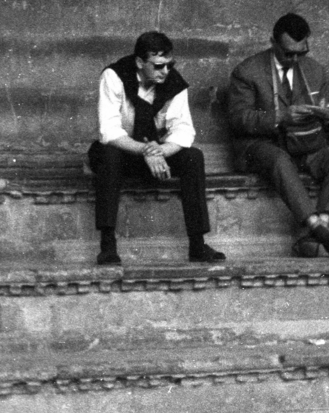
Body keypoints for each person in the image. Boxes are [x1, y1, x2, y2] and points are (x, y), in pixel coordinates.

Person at [86, 32, 225, 265]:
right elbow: (108, 131)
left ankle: (198, 245)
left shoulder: (174, 83)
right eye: (159, 66)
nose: (166, 72)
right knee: (109, 155)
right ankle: (108, 245)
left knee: (193, 157)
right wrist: (144, 150)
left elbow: (183, 131)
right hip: (122, 150)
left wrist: (158, 152)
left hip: (154, 154)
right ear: (140, 63)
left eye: (170, 65)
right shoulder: (114, 76)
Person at [228, 13, 329, 258]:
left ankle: (319, 230)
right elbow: (238, 119)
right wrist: (280, 117)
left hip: (305, 144)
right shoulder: (247, 72)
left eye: (302, 52)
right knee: (278, 159)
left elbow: (326, 109)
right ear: (272, 42)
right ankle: (316, 228)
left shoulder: (314, 69)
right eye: (289, 53)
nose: (295, 59)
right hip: (262, 145)